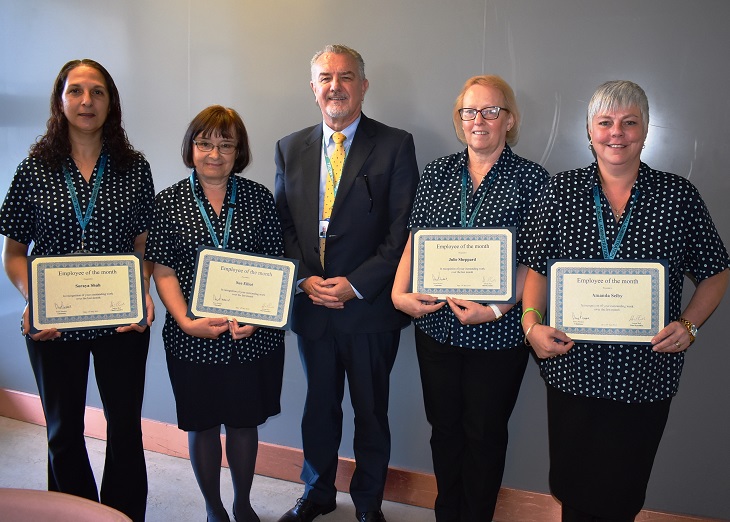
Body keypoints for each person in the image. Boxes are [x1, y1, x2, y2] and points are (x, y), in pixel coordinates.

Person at [520, 80, 729, 521]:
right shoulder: (560, 192)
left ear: (646, 130)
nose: (617, 132)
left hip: (645, 372)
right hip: (572, 366)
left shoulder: (677, 196)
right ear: (590, 131)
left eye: (629, 122)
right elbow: (537, 269)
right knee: (573, 485)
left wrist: (689, 326)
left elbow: (716, 271)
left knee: (624, 487)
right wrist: (531, 325)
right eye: (605, 122)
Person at [0, 59, 155, 521]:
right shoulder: (34, 169)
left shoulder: (134, 168)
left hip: (121, 320)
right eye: (76, 91)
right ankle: (75, 515)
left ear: (112, 102)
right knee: (63, 431)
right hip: (55, 324)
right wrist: (36, 302)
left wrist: (142, 293)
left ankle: (123, 517)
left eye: (98, 92)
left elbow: (143, 247)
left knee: (125, 428)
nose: (86, 101)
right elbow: (13, 253)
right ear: (60, 100)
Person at [391, 75, 549, 521]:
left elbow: (535, 262)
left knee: (484, 434)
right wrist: (398, 293)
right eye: (469, 112)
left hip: (498, 333)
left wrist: (497, 308)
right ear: (459, 120)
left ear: (509, 119)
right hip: (436, 326)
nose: (478, 120)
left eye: (490, 111)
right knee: (444, 431)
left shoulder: (534, 180)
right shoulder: (439, 172)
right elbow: (415, 240)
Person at [274, 44, 419, 522]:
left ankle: (368, 503)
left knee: (371, 414)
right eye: (325, 77)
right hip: (311, 305)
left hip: (369, 308)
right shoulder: (290, 146)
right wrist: (304, 279)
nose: (335, 85)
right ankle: (316, 492)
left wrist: (355, 284)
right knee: (318, 409)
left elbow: (402, 232)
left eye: (346, 76)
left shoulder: (395, 144)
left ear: (363, 84)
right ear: (313, 87)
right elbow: (283, 227)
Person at [145, 105, 285, 522]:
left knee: (244, 424)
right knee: (202, 425)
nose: (214, 153)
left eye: (226, 145)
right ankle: (214, 508)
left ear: (238, 151)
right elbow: (163, 271)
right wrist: (187, 320)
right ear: (191, 147)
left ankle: (243, 504)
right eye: (205, 142)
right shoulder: (168, 201)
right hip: (191, 336)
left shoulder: (259, 198)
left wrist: (258, 317)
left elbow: (275, 266)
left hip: (251, 335)